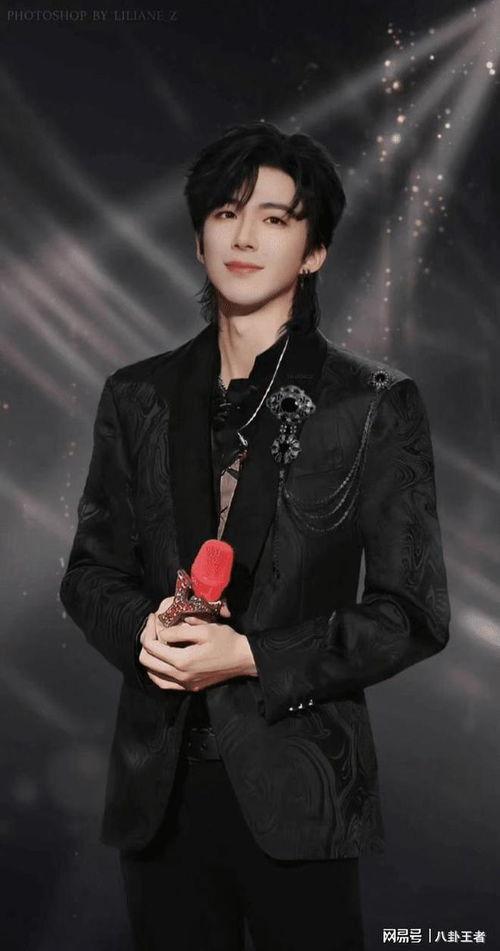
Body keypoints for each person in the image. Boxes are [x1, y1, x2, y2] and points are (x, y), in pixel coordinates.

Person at [59, 120, 451, 951]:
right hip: (158, 796)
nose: (244, 236)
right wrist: (142, 629)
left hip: (303, 791)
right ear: (198, 235)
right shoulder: (136, 394)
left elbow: (413, 612)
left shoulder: (373, 403)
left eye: (275, 218)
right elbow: (90, 571)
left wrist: (250, 656)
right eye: (226, 212)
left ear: (314, 251)